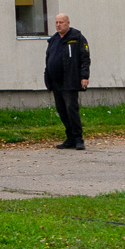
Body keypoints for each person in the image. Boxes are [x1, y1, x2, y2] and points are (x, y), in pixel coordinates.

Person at [45, 13, 91, 150]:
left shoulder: (76, 38)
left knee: (71, 109)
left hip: (70, 81)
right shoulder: (53, 39)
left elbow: (85, 58)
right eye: (56, 22)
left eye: (61, 22)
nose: (58, 25)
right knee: (62, 110)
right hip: (56, 81)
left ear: (68, 23)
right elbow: (48, 58)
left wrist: (84, 76)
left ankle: (78, 139)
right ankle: (69, 138)